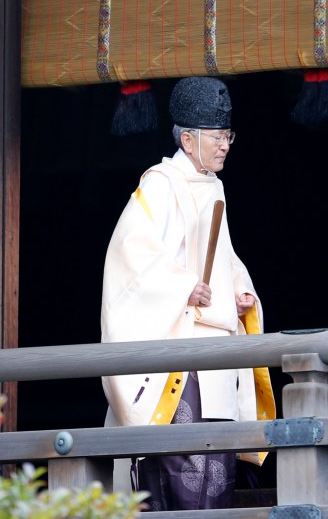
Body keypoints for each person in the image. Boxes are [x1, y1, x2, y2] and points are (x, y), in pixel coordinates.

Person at [100, 77, 276, 511]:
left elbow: (226, 260)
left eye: (227, 136)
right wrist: (183, 288)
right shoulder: (161, 184)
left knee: (218, 466)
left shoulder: (213, 186)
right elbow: (130, 256)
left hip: (217, 350)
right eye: (218, 138)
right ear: (188, 138)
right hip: (182, 352)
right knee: (185, 466)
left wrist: (238, 292)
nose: (225, 146)